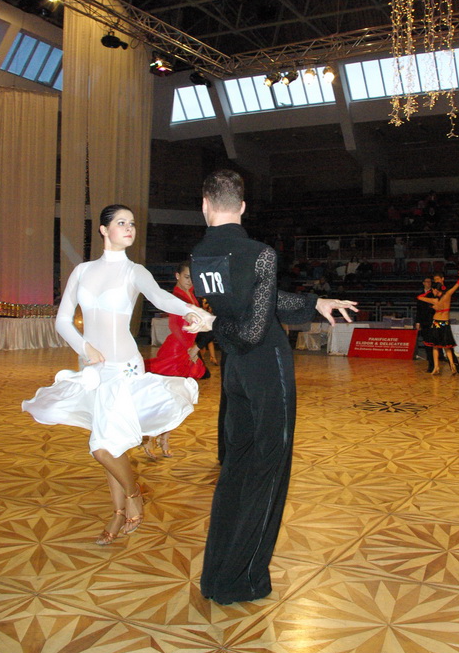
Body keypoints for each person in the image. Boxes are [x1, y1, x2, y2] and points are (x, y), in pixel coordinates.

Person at [190, 169, 357, 605]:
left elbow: (251, 299)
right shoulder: (260, 252)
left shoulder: (200, 255)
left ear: (205, 205)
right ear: (243, 206)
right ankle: (241, 580)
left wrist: (313, 302)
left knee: (235, 470)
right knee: (267, 473)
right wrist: (213, 323)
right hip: (267, 369)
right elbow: (250, 328)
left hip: (236, 373)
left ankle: (216, 575)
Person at [22, 204, 214, 546]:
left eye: (132, 224)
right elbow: (62, 321)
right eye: (121, 223)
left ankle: (134, 495)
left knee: (102, 446)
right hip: (92, 368)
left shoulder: (134, 271)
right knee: (109, 441)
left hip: (124, 366)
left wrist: (191, 310)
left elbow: (161, 298)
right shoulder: (82, 271)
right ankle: (118, 511)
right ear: (103, 230)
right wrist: (84, 347)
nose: (129, 228)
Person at [144, 261, 209, 459]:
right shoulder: (177, 296)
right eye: (187, 277)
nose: (190, 281)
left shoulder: (191, 294)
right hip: (176, 351)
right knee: (166, 398)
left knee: (176, 399)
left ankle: (163, 438)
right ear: (177, 276)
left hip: (185, 350)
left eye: (192, 277)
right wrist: (190, 347)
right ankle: (150, 438)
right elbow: (174, 325)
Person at [417, 271, 459, 375]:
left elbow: (419, 297)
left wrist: (429, 292)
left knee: (435, 346)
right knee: (447, 346)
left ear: (436, 289)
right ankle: (452, 365)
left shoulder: (434, 300)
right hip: (445, 323)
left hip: (437, 323)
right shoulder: (448, 295)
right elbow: (457, 285)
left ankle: (436, 367)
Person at [432, 273, 459, 373]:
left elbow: (456, 286)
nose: (436, 281)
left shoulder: (446, 292)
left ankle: (454, 366)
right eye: (435, 279)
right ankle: (438, 366)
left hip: (441, 321)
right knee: (439, 346)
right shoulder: (435, 292)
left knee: (446, 346)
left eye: (438, 279)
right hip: (439, 321)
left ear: (442, 279)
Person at [415, 276, 438, 372]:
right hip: (424, 321)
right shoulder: (420, 295)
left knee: (434, 342)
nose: (429, 283)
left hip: (433, 320)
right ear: (423, 283)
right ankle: (431, 364)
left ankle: (436, 363)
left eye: (430, 282)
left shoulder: (434, 293)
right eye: (427, 281)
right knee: (427, 343)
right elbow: (419, 310)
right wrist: (418, 322)